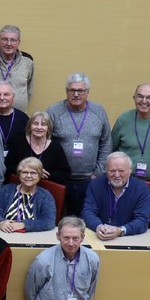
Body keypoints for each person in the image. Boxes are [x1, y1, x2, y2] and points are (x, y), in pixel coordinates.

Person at [47, 73, 112, 215]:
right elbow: (43, 141)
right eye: (72, 90)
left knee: (86, 220)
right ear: (66, 91)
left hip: (90, 180)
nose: (76, 94)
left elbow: (106, 142)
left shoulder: (98, 111)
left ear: (87, 92)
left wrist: (98, 172)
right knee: (58, 219)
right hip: (60, 180)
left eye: (80, 91)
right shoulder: (54, 111)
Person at [81, 152, 150, 240]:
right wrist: (98, 227)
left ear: (130, 170)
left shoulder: (142, 189)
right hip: (99, 236)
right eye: (112, 171)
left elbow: (142, 220)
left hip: (129, 238)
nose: (117, 175)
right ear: (106, 170)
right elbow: (87, 212)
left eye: (121, 171)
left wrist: (120, 230)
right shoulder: (95, 185)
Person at [6, 111, 71, 187]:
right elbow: (8, 167)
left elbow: (65, 173)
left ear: (48, 128)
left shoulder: (56, 147)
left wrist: (44, 174)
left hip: (47, 191)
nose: (39, 127)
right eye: (36, 123)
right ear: (30, 126)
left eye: (43, 124)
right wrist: (26, 171)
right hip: (19, 188)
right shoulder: (18, 143)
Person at [0, 158, 57, 232]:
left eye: (33, 173)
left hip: (32, 238)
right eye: (25, 172)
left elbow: (49, 222)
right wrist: (0, 222)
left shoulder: (45, 196)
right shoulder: (5, 190)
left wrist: (23, 225)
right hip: (4, 234)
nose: (29, 176)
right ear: (19, 175)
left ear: (39, 176)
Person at [0, 25, 33, 111]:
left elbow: (29, 89)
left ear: (18, 43)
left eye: (13, 40)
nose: (8, 44)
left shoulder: (28, 62)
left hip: (18, 118)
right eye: (5, 39)